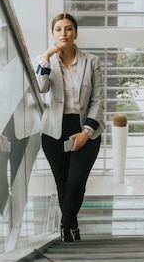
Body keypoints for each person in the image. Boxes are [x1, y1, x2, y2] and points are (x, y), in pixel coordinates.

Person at [35, 13, 106, 242]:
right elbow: (41, 89)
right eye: (58, 29)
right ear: (52, 33)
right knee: (63, 184)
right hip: (54, 130)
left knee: (77, 182)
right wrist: (46, 57)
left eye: (68, 29)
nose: (63, 34)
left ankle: (64, 227)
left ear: (75, 33)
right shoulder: (45, 61)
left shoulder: (91, 61)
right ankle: (72, 227)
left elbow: (98, 100)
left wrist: (87, 132)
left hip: (85, 127)